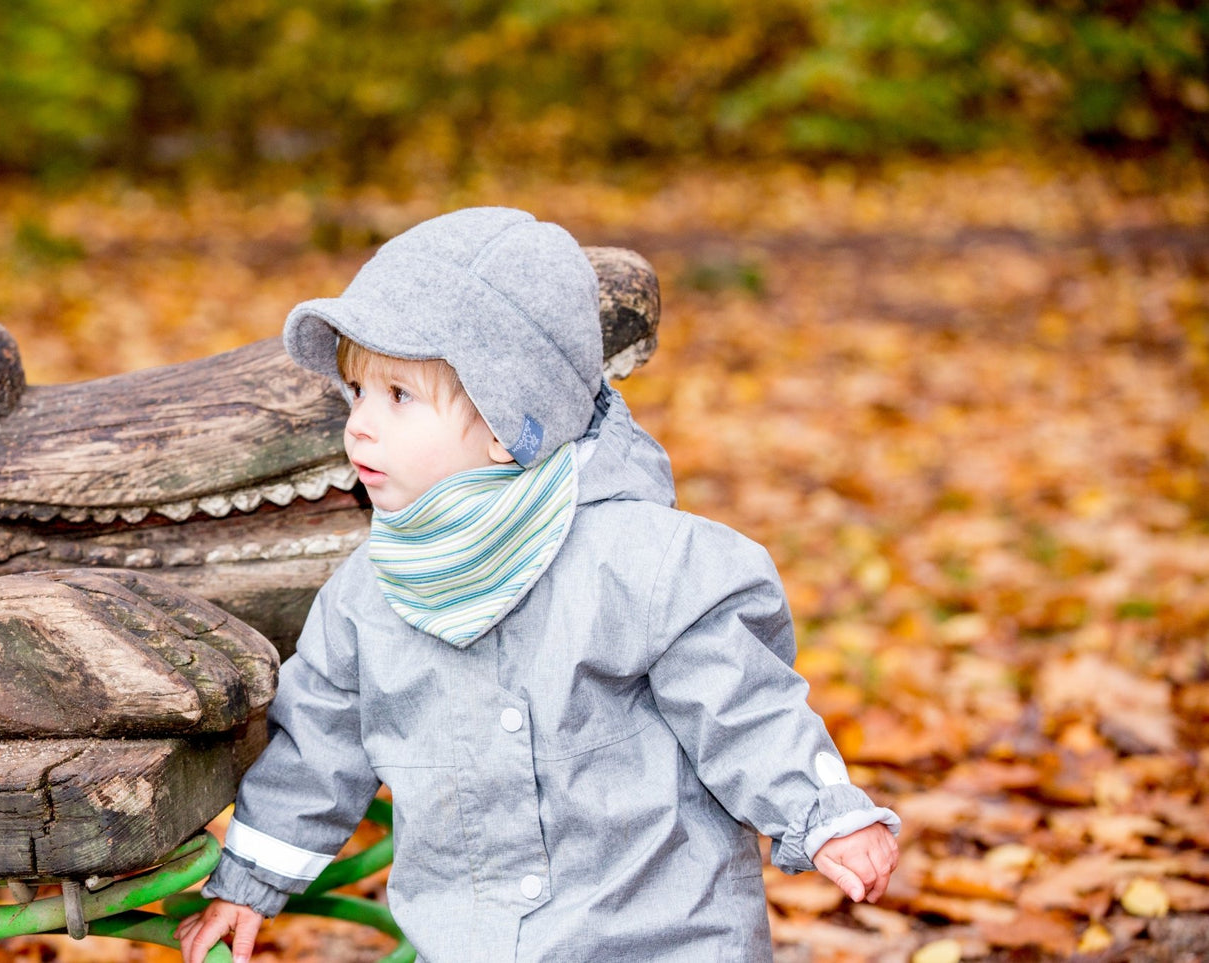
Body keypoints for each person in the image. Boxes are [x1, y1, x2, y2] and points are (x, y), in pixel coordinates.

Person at [176, 207, 899, 963]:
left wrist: (823, 813)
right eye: (356, 392)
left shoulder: (644, 564)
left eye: (398, 396)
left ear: (503, 423)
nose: (358, 425)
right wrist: (246, 882)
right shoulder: (371, 594)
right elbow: (315, 747)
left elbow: (742, 706)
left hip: (662, 938)